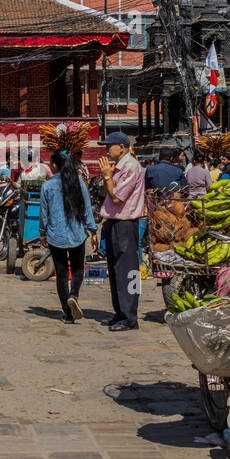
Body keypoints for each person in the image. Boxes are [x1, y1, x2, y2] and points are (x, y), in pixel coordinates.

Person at [96, 132, 146, 331]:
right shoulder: (118, 166)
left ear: (122, 148)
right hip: (114, 222)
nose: (107, 150)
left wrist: (107, 176)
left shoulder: (131, 167)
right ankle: (120, 312)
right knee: (116, 270)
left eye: (110, 145)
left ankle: (130, 316)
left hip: (126, 223)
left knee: (128, 271)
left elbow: (117, 197)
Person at [40, 149, 98, 323]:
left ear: (56, 165)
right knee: (78, 268)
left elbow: (44, 214)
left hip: (55, 235)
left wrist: (42, 233)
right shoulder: (79, 183)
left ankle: (67, 313)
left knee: (62, 273)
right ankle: (74, 295)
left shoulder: (47, 186)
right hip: (77, 233)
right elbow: (88, 209)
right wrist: (93, 230)